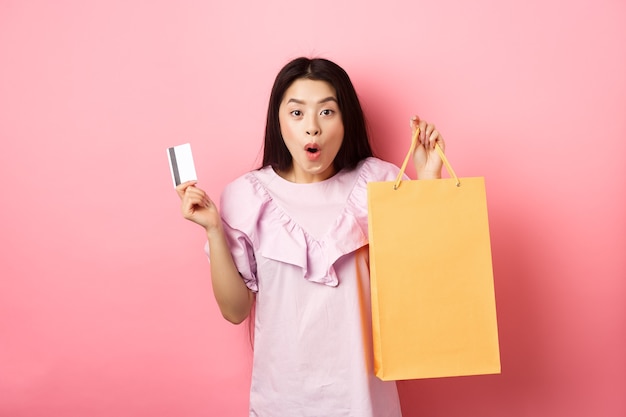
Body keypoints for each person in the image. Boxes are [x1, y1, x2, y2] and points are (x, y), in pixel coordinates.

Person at [176, 57, 445, 417]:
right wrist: (213, 228)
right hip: (283, 401)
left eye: (327, 112)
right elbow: (235, 311)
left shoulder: (381, 182)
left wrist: (428, 181)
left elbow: (420, 276)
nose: (312, 128)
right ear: (279, 122)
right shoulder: (245, 196)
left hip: (364, 400)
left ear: (345, 119)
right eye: (297, 113)